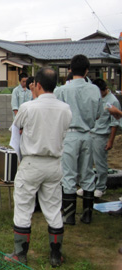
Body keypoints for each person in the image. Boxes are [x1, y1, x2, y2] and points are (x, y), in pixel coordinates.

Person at [6, 68, 72, 267]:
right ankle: (55, 255)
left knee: (24, 207)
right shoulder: (65, 108)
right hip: (54, 163)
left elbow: (17, 129)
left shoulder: (28, 107)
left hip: (32, 162)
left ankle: (20, 253)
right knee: (53, 208)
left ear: (37, 85)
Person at [56, 54, 102, 225]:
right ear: (87, 70)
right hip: (88, 134)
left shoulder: (62, 90)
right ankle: (88, 214)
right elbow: (98, 114)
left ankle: (68, 216)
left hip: (69, 135)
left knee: (68, 174)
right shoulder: (94, 89)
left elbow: (56, 113)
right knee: (87, 173)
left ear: (70, 70)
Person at [76, 79, 120, 198]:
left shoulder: (113, 101)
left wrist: (110, 140)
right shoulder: (96, 99)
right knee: (87, 162)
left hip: (101, 135)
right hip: (90, 132)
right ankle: (87, 186)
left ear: (104, 89)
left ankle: (101, 187)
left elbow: (115, 123)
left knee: (100, 163)